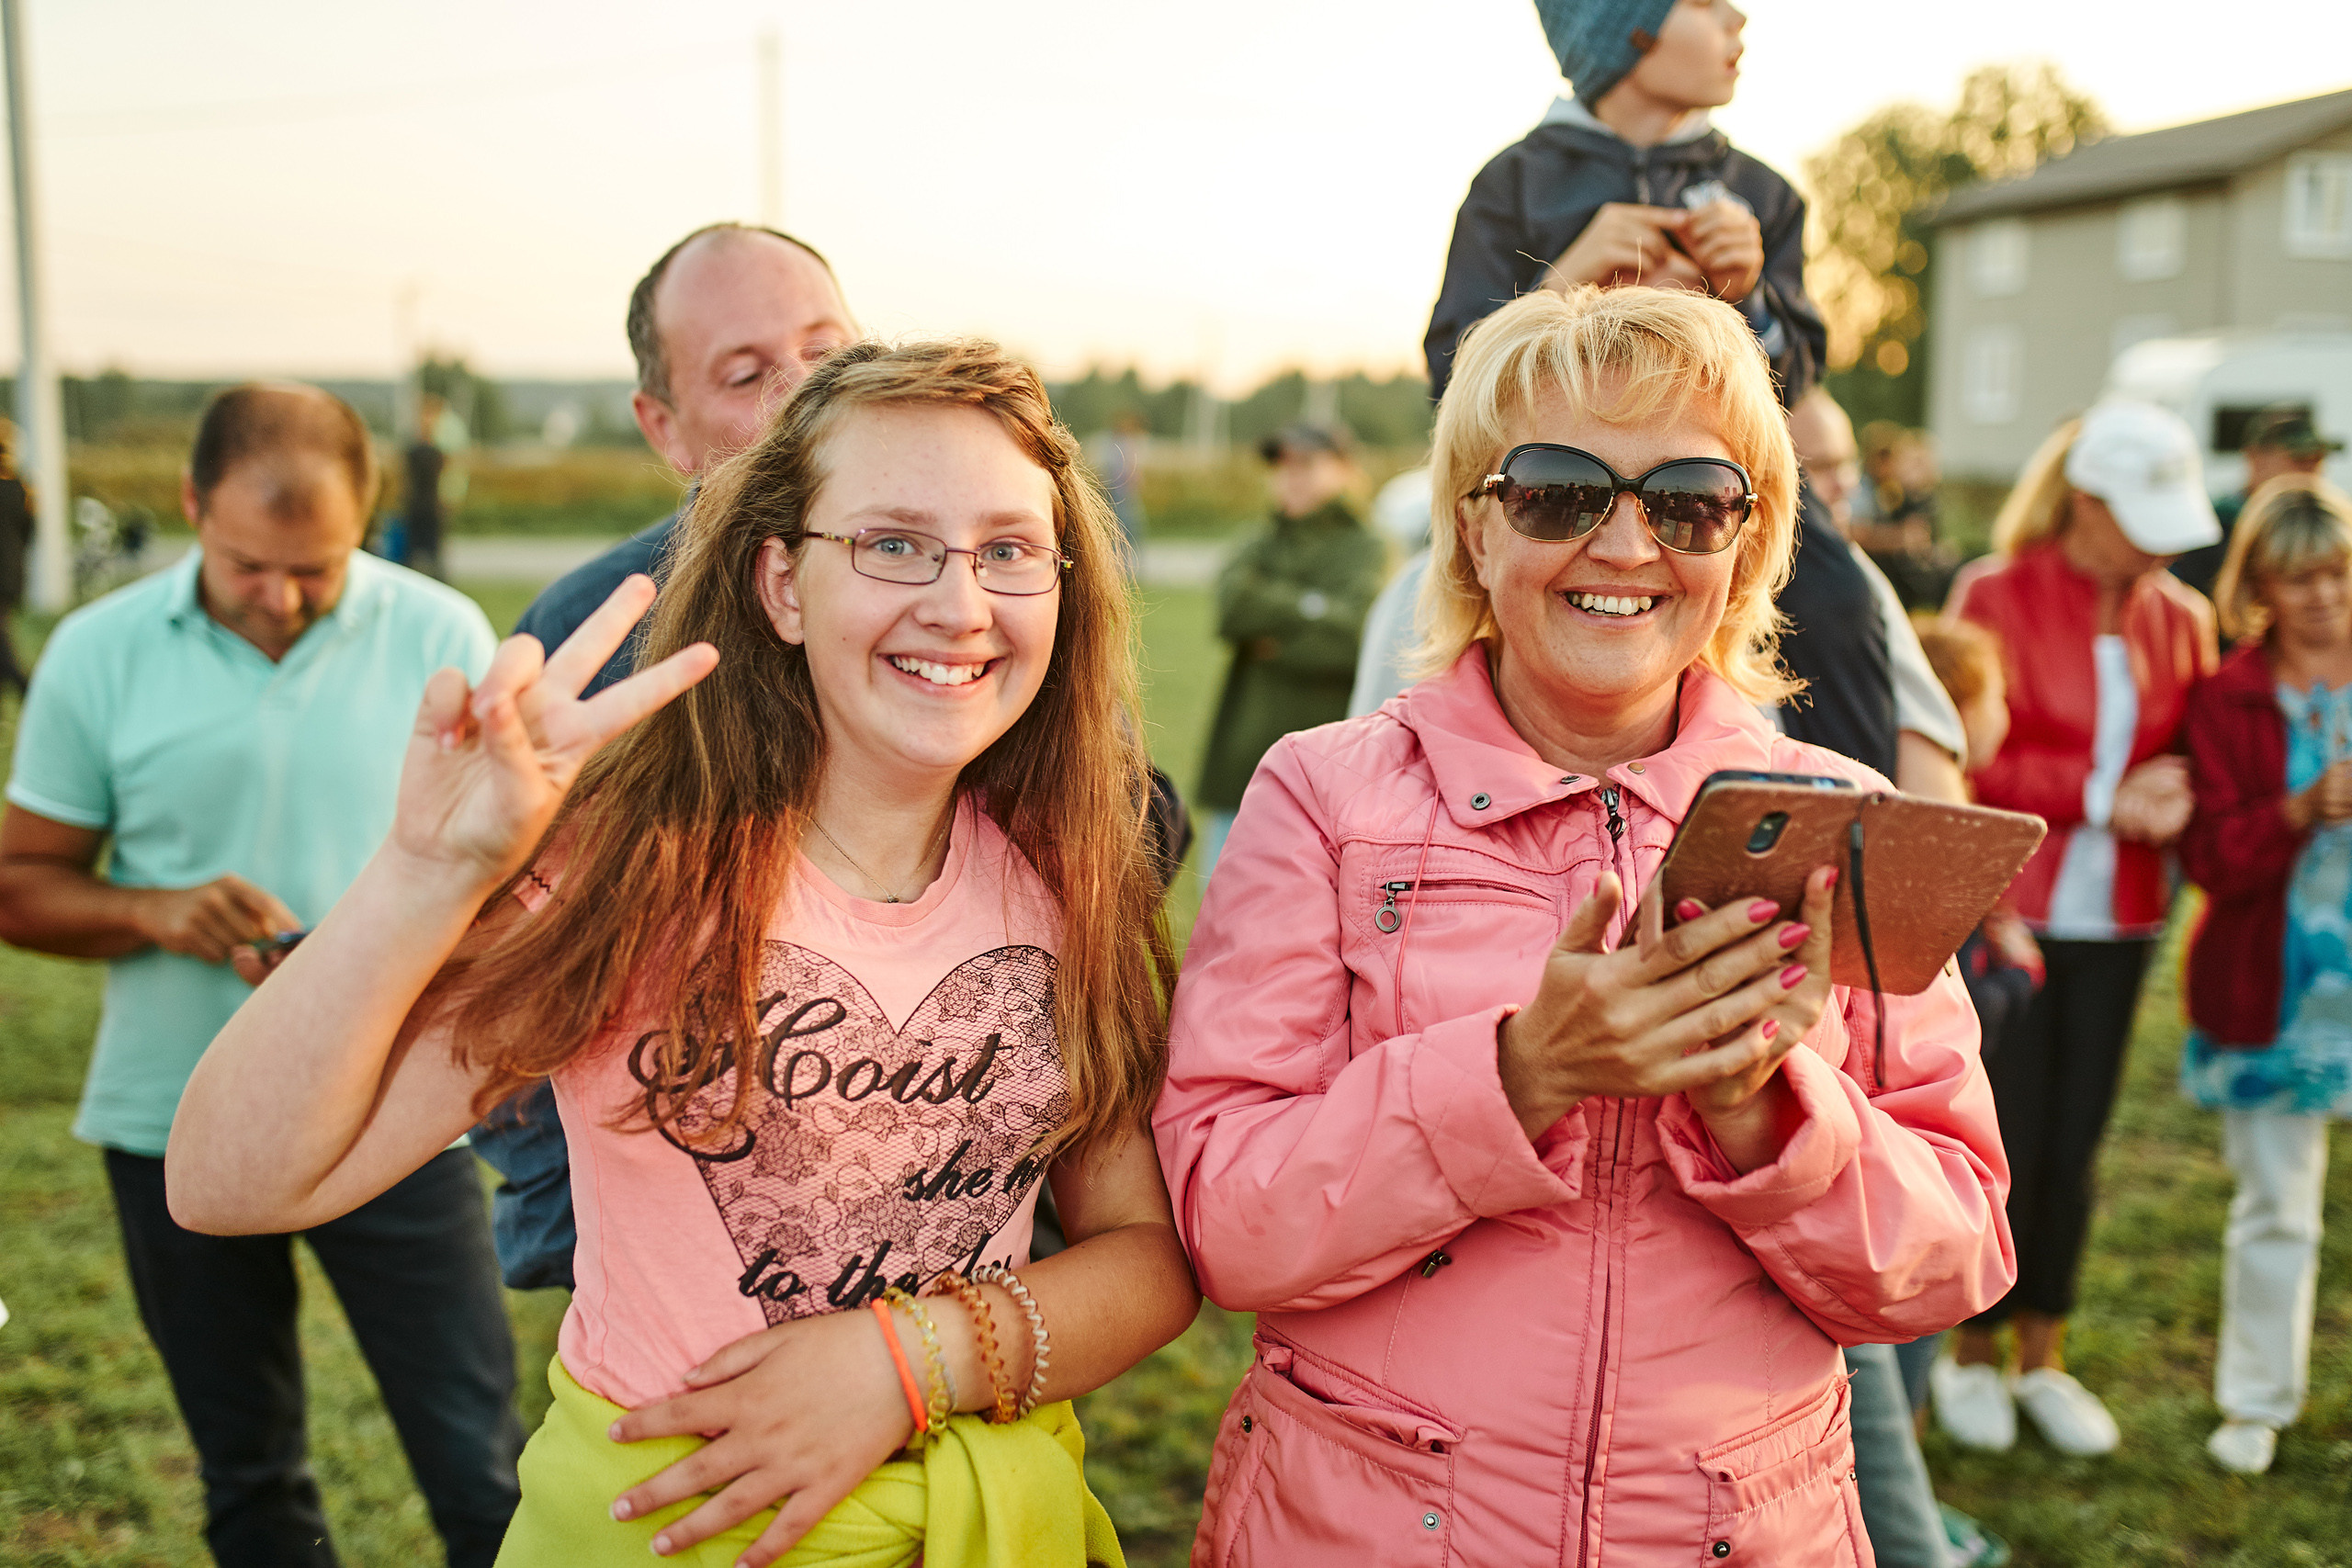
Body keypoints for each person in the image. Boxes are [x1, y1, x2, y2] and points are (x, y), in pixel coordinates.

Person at [167, 342, 1201, 1567]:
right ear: (781, 585)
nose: (961, 601)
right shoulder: (632, 869)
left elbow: (1146, 1258)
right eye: (893, 543)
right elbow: (230, 1182)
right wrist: (428, 871)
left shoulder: (1076, 871)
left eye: (1009, 550)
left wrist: (905, 1362)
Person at [1156, 286, 2012, 1564]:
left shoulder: (1852, 821)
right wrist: (1518, 1072)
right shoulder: (1320, 795)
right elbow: (1226, 1217)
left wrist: (1762, 1111)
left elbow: (1952, 1258)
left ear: (1748, 540)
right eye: (1560, 490)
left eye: (1687, 500)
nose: (1625, 544)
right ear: (1473, 529)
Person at [0, 384, 516, 1565]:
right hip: (173, 1121)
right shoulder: (95, 650)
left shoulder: (443, 634)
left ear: (367, 524)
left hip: (399, 1116)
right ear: (190, 505)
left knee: (479, 1469)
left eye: (316, 570)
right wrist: (151, 908)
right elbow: (21, 883)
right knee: (252, 1481)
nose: (280, 597)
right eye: (246, 566)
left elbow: (518, 875)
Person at [468, 221, 861, 1292]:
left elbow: (1126, 835)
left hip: (931, 1224)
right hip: (654, 1255)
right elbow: (488, 953)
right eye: (746, 373)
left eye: (828, 350)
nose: (803, 392)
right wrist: (571, 1205)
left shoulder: (966, 579)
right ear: (665, 427)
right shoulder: (593, 628)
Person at [1937, 399, 2222, 1457]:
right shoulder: (1993, 596)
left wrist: (2181, 793)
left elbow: (2193, 755)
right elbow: (1969, 758)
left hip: (2124, 920)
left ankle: (2042, 1357)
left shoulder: (2180, 617)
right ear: (2083, 504)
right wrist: (2106, 792)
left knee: (2077, 1144)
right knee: (2002, 1135)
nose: (2156, 542)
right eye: (2136, 517)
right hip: (2015, 912)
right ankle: (1970, 1352)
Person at [2177, 476, 2352, 1476]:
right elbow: (2209, 857)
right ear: (2262, 588)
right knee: (2276, 1205)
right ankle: (2254, 1401)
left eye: (2334, 573)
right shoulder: (2229, 693)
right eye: (2298, 579)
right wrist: (2296, 810)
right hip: (2275, 990)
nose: (2322, 597)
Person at [1423, 0, 1824, 406]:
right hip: (1564, 469)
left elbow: (1796, 393)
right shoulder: (1511, 187)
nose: (1738, 17)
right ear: (1628, 32)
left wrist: (1747, 299)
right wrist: (1555, 290)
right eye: (1703, 2)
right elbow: (1449, 386)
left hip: (1707, 470)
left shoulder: (1765, 194)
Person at [1195, 421, 1387, 870]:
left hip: (1325, 773)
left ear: (1345, 469)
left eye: (1306, 463)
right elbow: (1230, 609)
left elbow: (1352, 637)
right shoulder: (1259, 541)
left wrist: (1272, 633)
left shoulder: (1368, 547)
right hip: (1240, 766)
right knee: (1220, 921)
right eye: (1281, 465)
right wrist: (1311, 609)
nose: (1290, 475)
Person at [2174, 405, 2346, 602]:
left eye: (2318, 459)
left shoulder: (2339, 523)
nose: (2311, 470)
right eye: (2299, 458)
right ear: (2254, 458)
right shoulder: (2213, 526)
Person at [0, 421, 31, 698]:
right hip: (12, 571)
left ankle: (29, 690)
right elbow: (31, 532)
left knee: (2, 645)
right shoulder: (24, 489)